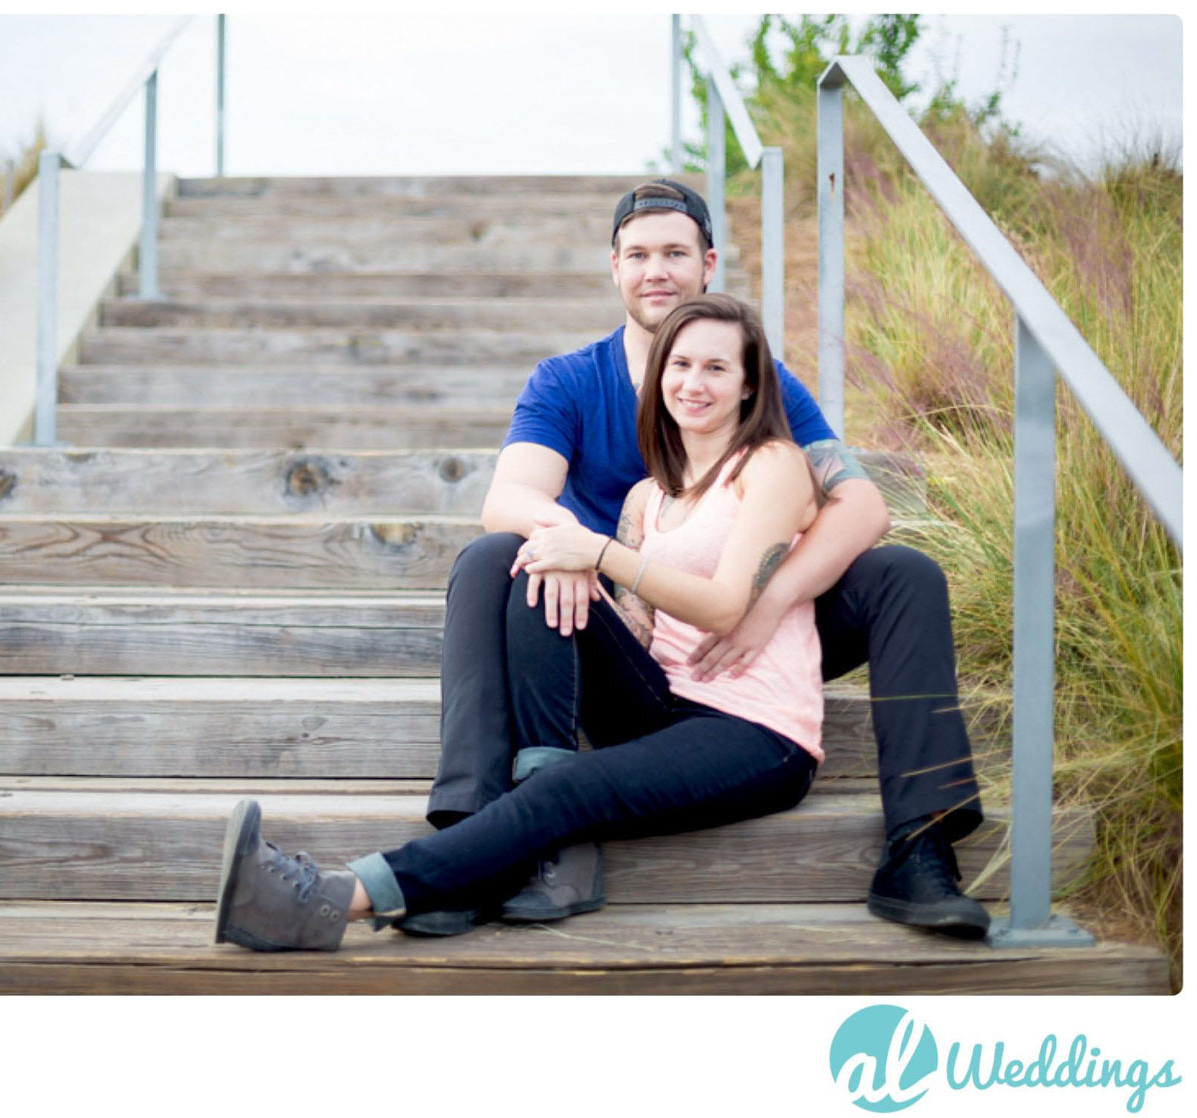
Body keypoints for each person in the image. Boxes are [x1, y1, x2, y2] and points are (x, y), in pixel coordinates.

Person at [413, 179, 989, 940]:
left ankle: (921, 845)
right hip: (612, 633)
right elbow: (509, 497)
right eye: (640, 254)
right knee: (496, 556)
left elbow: (864, 506)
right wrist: (583, 551)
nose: (658, 270)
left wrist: (773, 598)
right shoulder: (570, 381)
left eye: (676, 253)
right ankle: (477, 828)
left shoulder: (757, 380)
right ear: (613, 267)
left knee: (904, 572)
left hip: (749, 634)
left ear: (708, 265)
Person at [215, 294, 831, 952]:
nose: (693, 382)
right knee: (526, 560)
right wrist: (563, 563)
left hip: (756, 734)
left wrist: (596, 553)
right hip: (664, 703)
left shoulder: (771, 466)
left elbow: (727, 605)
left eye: (716, 368)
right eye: (680, 364)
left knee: (561, 786)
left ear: (748, 385)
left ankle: (328, 900)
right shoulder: (646, 496)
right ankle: (505, 838)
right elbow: (639, 632)